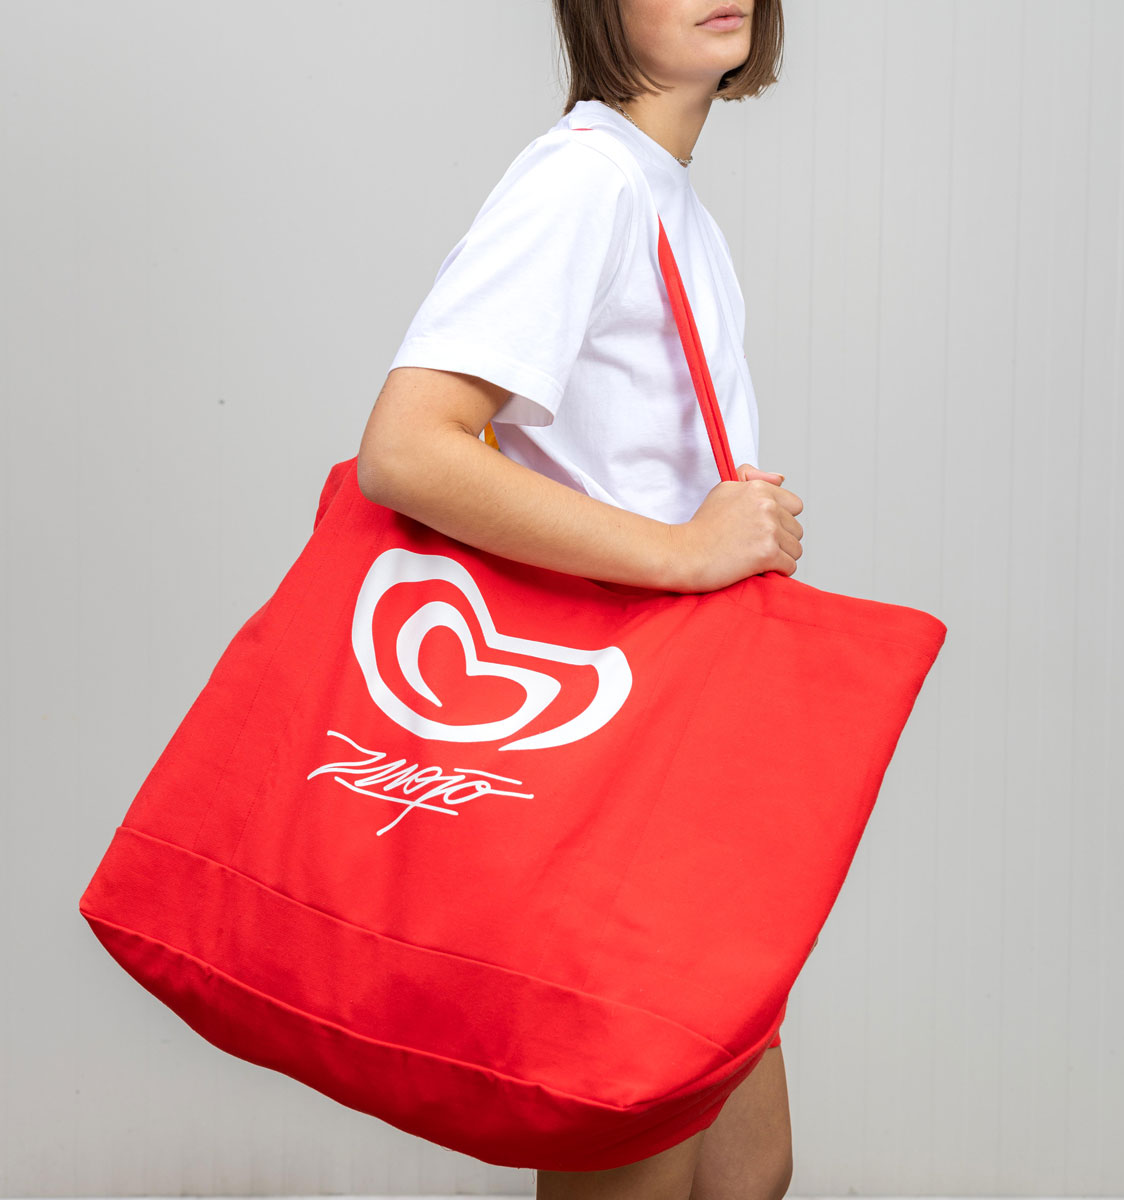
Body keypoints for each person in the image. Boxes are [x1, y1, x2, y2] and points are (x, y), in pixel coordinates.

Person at [357, 2, 803, 1196]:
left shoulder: (662, 195)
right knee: (632, 1163)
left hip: (673, 737)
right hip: (615, 751)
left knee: (745, 1168)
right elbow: (407, 448)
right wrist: (689, 552)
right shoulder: (585, 183)